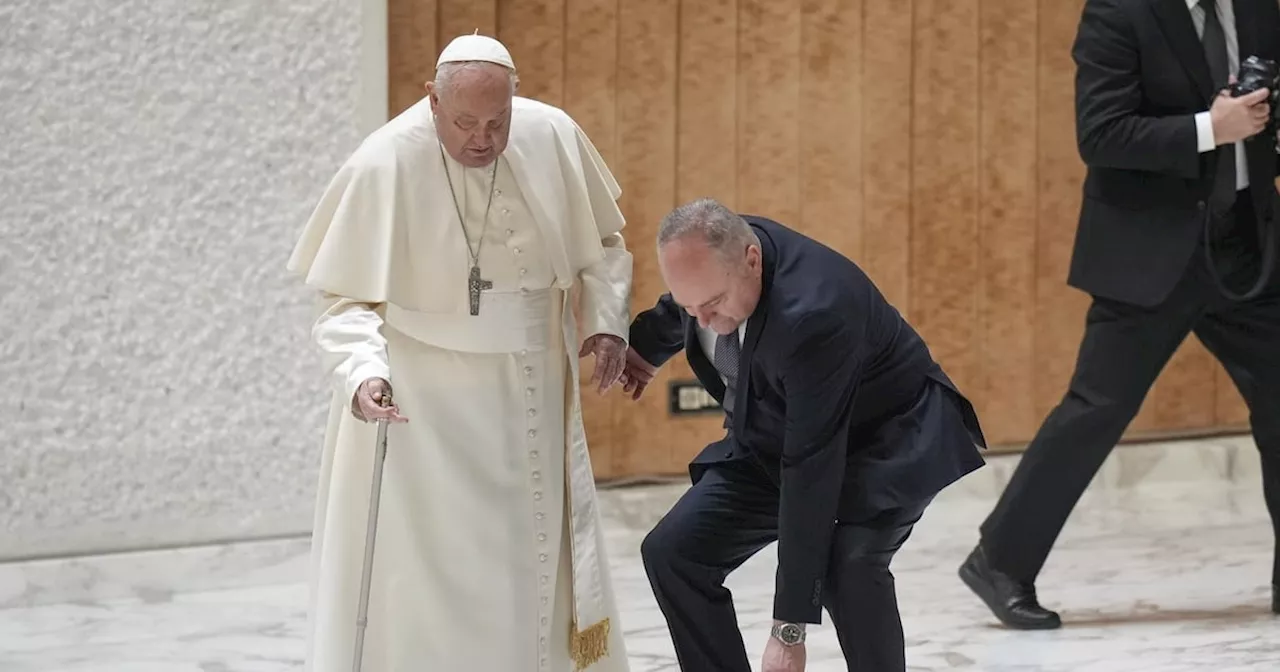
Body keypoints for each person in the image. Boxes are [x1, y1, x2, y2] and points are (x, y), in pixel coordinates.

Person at [285, 34, 634, 672]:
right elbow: (343, 301)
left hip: (533, 384)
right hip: (427, 404)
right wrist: (363, 374)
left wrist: (605, 323)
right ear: (433, 101)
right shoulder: (384, 163)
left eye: (498, 122)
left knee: (530, 559)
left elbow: (603, 244)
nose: (484, 138)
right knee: (433, 577)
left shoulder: (551, 136)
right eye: (467, 122)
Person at [958, 0, 1280, 630]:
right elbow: (1100, 134)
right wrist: (1211, 128)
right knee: (1096, 410)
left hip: (1245, 243)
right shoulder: (1120, 11)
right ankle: (999, 561)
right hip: (1150, 253)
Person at [619, 198, 987, 672]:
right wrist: (641, 350)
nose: (703, 321)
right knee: (674, 553)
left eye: (710, 306)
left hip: (887, 440)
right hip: (778, 431)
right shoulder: (717, 257)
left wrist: (788, 631)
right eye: (693, 308)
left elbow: (810, 467)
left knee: (848, 567)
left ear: (752, 260)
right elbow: (683, 306)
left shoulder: (816, 313)